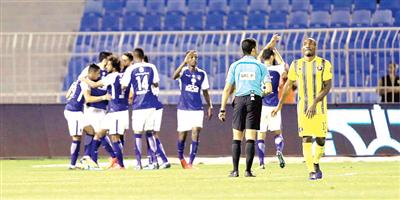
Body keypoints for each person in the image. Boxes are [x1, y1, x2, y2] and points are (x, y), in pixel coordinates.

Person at [272, 38, 333, 180]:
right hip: (303, 109)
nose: (308, 46)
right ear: (302, 48)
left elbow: (327, 86)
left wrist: (314, 103)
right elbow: (288, 85)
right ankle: (311, 170)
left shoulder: (324, 64)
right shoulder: (296, 65)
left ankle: (316, 162)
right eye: (305, 44)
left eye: (311, 44)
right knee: (306, 137)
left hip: (319, 109)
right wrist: (279, 105)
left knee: (321, 139)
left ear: (315, 47)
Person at [218, 38, 272, 177]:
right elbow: (269, 89)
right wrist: (260, 93)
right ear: (253, 49)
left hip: (239, 99)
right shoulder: (261, 66)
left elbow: (227, 89)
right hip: (255, 99)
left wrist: (222, 109)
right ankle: (248, 171)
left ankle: (235, 171)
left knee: (237, 137)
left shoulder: (235, 65)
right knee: (251, 137)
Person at [81, 56, 130, 169]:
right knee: (98, 134)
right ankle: (93, 162)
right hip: (113, 111)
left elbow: (93, 85)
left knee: (115, 138)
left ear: (113, 67)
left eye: (108, 65)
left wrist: (83, 79)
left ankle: (120, 165)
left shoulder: (112, 76)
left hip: (117, 111)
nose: (106, 67)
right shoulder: (123, 76)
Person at [64, 64, 110, 169]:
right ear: (91, 73)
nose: (99, 76)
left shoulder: (76, 82)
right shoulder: (85, 83)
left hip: (76, 111)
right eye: (97, 73)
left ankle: (86, 157)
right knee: (76, 137)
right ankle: (72, 164)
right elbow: (88, 99)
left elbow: (67, 95)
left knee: (91, 131)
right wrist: (104, 97)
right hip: (74, 112)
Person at [172, 50, 213, 169]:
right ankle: (181, 159)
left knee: (195, 132)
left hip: (197, 109)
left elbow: (205, 92)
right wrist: (183, 63)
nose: (194, 59)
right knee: (182, 136)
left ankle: (190, 163)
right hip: (183, 108)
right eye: (191, 57)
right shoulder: (183, 72)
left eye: (196, 57)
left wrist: (209, 105)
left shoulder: (202, 74)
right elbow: (174, 77)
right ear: (187, 59)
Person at [121, 48, 160, 170]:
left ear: (133, 56)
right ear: (143, 56)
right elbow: (156, 83)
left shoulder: (131, 69)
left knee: (137, 134)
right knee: (150, 133)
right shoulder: (152, 67)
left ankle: (138, 163)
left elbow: (124, 85)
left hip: (138, 105)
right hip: (150, 104)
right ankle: (154, 162)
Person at [78, 51, 117, 166]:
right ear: (105, 60)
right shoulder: (94, 69)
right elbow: (82, 80)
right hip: (95, 106)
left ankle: (107, 157)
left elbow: (82, 78)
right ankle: (89, 157)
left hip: (99, 107)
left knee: (98, 133)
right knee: (95, 133)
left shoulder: (105, 73)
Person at [256, 34, 286, 169]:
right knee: (277, 133)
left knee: (261, 135)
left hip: (260, 106)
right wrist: (274, 48)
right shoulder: (277, 69)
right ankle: (279, 150)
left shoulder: (258, 67)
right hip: (274, 106)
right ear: (272, 57)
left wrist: (270, 43)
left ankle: (261, 163)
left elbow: (259, 56)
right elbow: (282, 63)